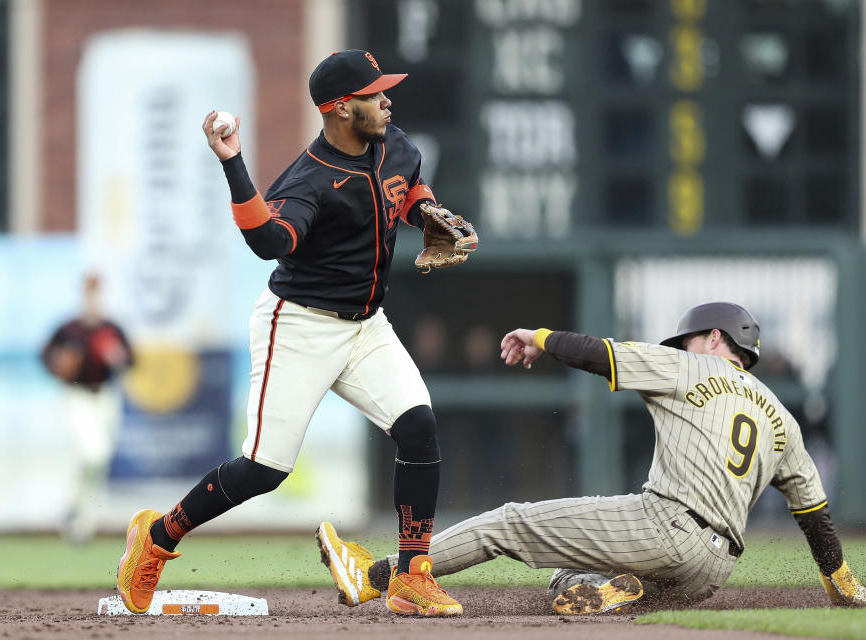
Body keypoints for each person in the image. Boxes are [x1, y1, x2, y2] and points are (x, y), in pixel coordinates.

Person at [117, 49, 476, 617]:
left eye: (385, 90)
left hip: (366, 325)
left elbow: (406, 188)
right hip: (300, 324)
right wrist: (233, 163)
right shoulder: (310, 179)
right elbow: (269, 242)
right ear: (338, 109)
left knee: (418, 428)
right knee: (264, 469)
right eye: (373, 94)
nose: (386, 100)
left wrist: (428, 212)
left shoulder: (396, 143)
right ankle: (157, 538)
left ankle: (412, 577)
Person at [318, 302, 866, 613]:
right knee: (569, 576)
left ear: (714, 338)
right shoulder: (781, 418)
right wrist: (842, 584)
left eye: (687, 340)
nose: (678, 348)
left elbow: (602, 355)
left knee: (508, 523)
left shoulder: (690, 366)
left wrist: (540, 337)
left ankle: (374, 575)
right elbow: (815, 518)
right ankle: (615, 591)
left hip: (663, 526)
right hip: (714, 569)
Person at [41, 273, 134, 544]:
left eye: (96, 291)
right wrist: (57, 364)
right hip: (76, 394)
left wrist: (119, 358)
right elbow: (45, 357)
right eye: (88, 291)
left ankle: (82, 526)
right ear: (82, 294)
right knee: (91, 454)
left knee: (100, 459)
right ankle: (72, 505)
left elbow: (131, 362)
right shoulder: (68, 329)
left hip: (105, 395)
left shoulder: (112, 328)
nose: (92, 296)